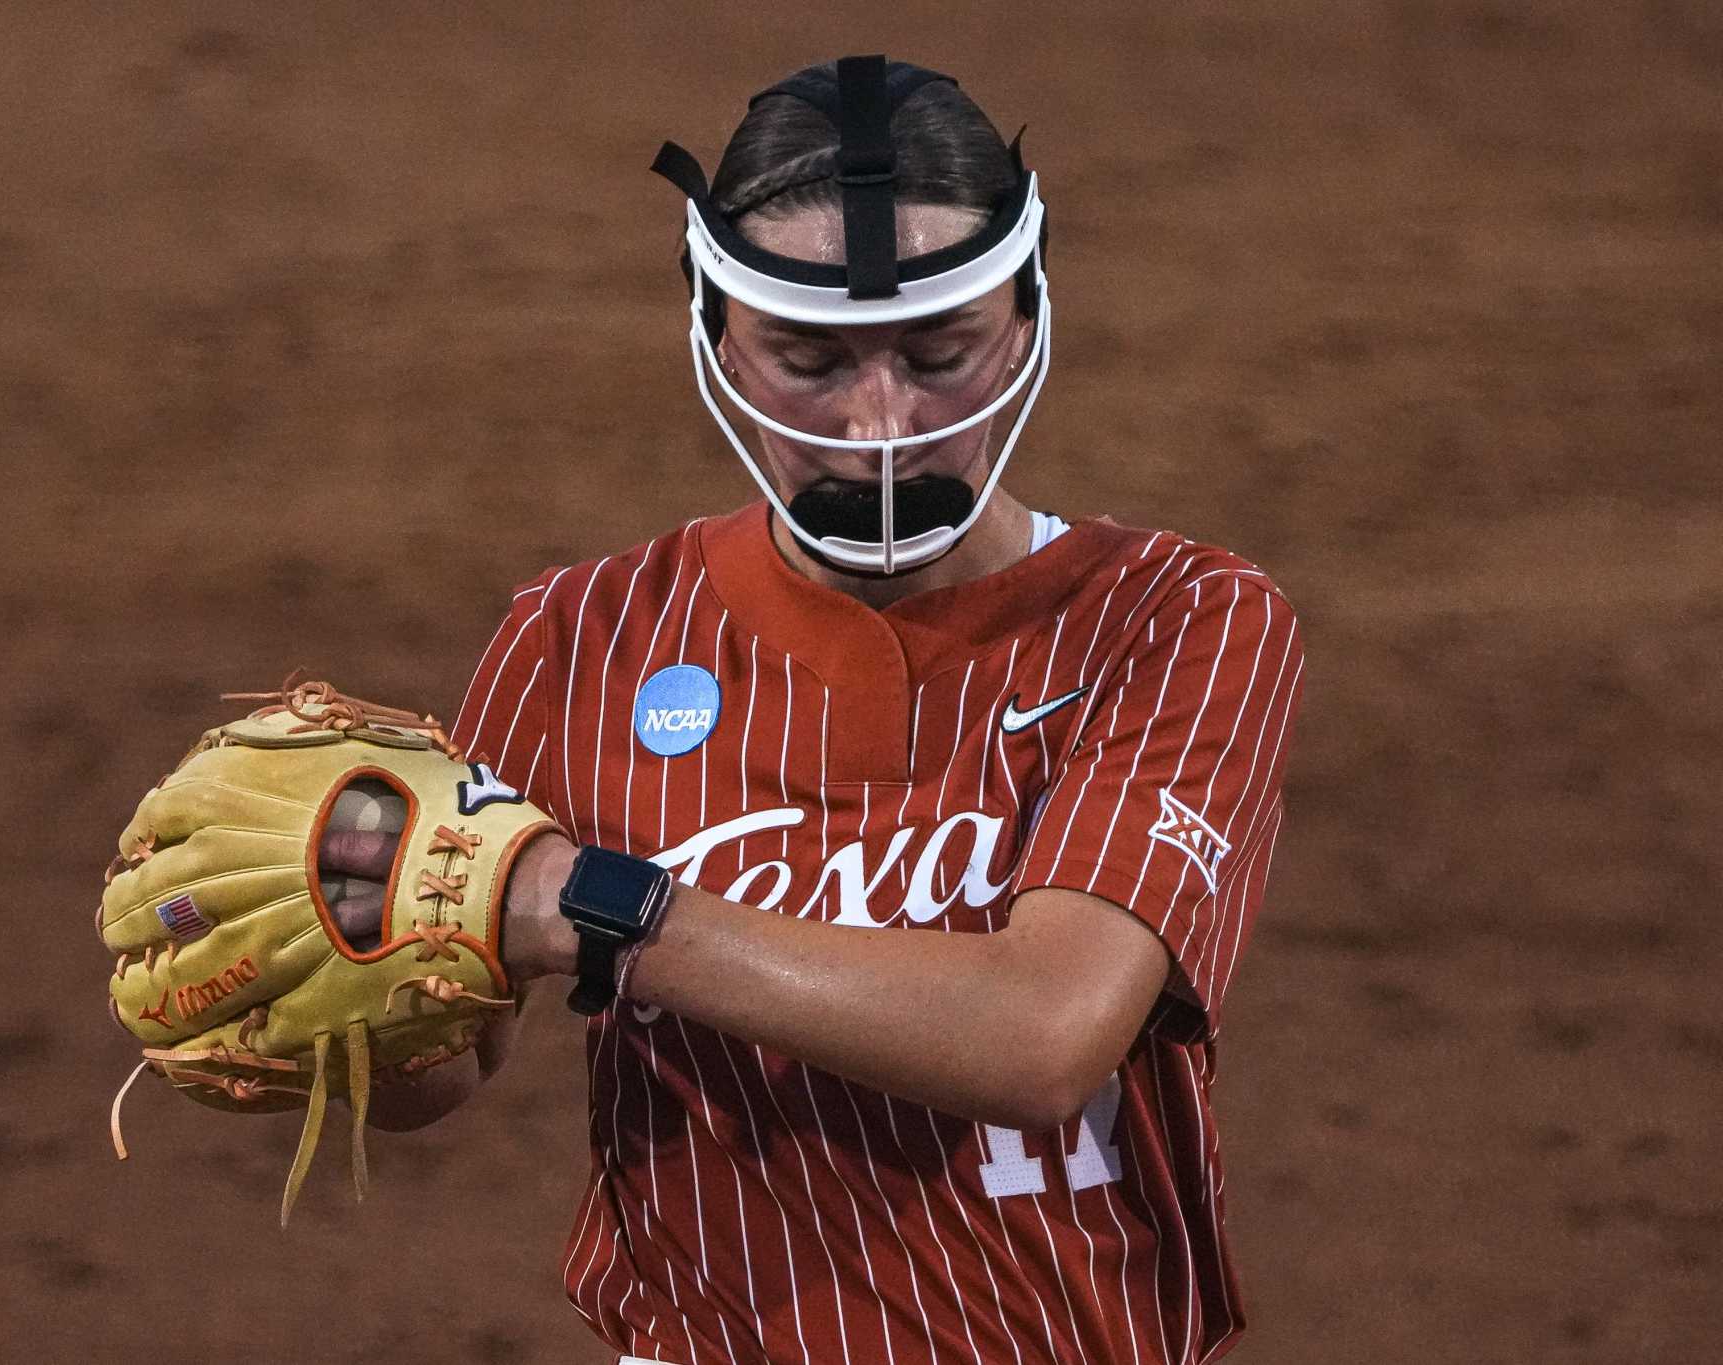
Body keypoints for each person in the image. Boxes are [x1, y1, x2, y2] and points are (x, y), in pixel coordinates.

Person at [335, 55, 1305, 1365]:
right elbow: (442, 1072)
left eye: (941, 351)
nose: (880, 422)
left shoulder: (1177, 618)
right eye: (808, 359)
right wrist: (350, 956)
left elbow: (1043, 1035)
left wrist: (597, 908)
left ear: (1026, 320)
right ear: (715, 332)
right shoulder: (579, 636)